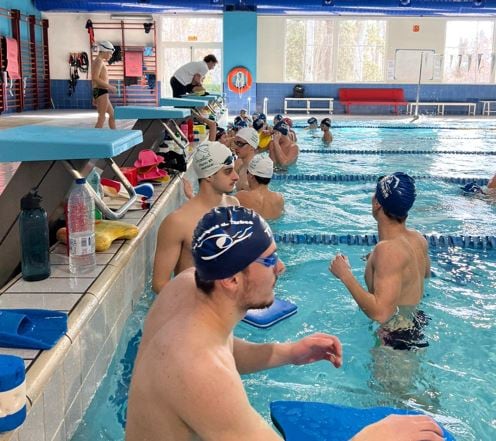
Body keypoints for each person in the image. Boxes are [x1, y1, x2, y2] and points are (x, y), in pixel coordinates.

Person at [126, 206, 443, 441]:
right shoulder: (200, 373)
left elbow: (221, 349)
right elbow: (205, 366)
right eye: (267, 260)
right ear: (232, 280)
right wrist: (375, 437)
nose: (280, 267)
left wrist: (288, 352)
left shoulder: (185, 286)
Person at [329, 172, 431, 351]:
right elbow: (423, 279)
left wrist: (345, 275)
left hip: (395, 340)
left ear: (377, 203)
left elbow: (381, 313)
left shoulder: (387, 251)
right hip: (415, 324)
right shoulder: (417, 239)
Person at [151, 141, 239, 293]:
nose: (236, 176)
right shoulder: (177, 222)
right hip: (196, 308)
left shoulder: (234, 205)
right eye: (228, 171)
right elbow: (159, 284)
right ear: (209, 175)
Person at [92, 41, 117, 129]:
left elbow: (94, 80)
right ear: (105, 51)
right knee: (101, 118)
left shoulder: (98, 61)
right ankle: (95, 139)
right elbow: (95, 78)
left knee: (112, 115)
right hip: (101, 92)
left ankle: (114, 135)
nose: (110, 56)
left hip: (99, 91)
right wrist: (110, 86)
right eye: (110, 54)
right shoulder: (98, 61)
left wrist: (94, 96)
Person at [233, 127, 259, 191]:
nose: (235, 147)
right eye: (235, 143)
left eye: (240, 144)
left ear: (252, 147)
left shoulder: (256, 172)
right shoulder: (238, 163)